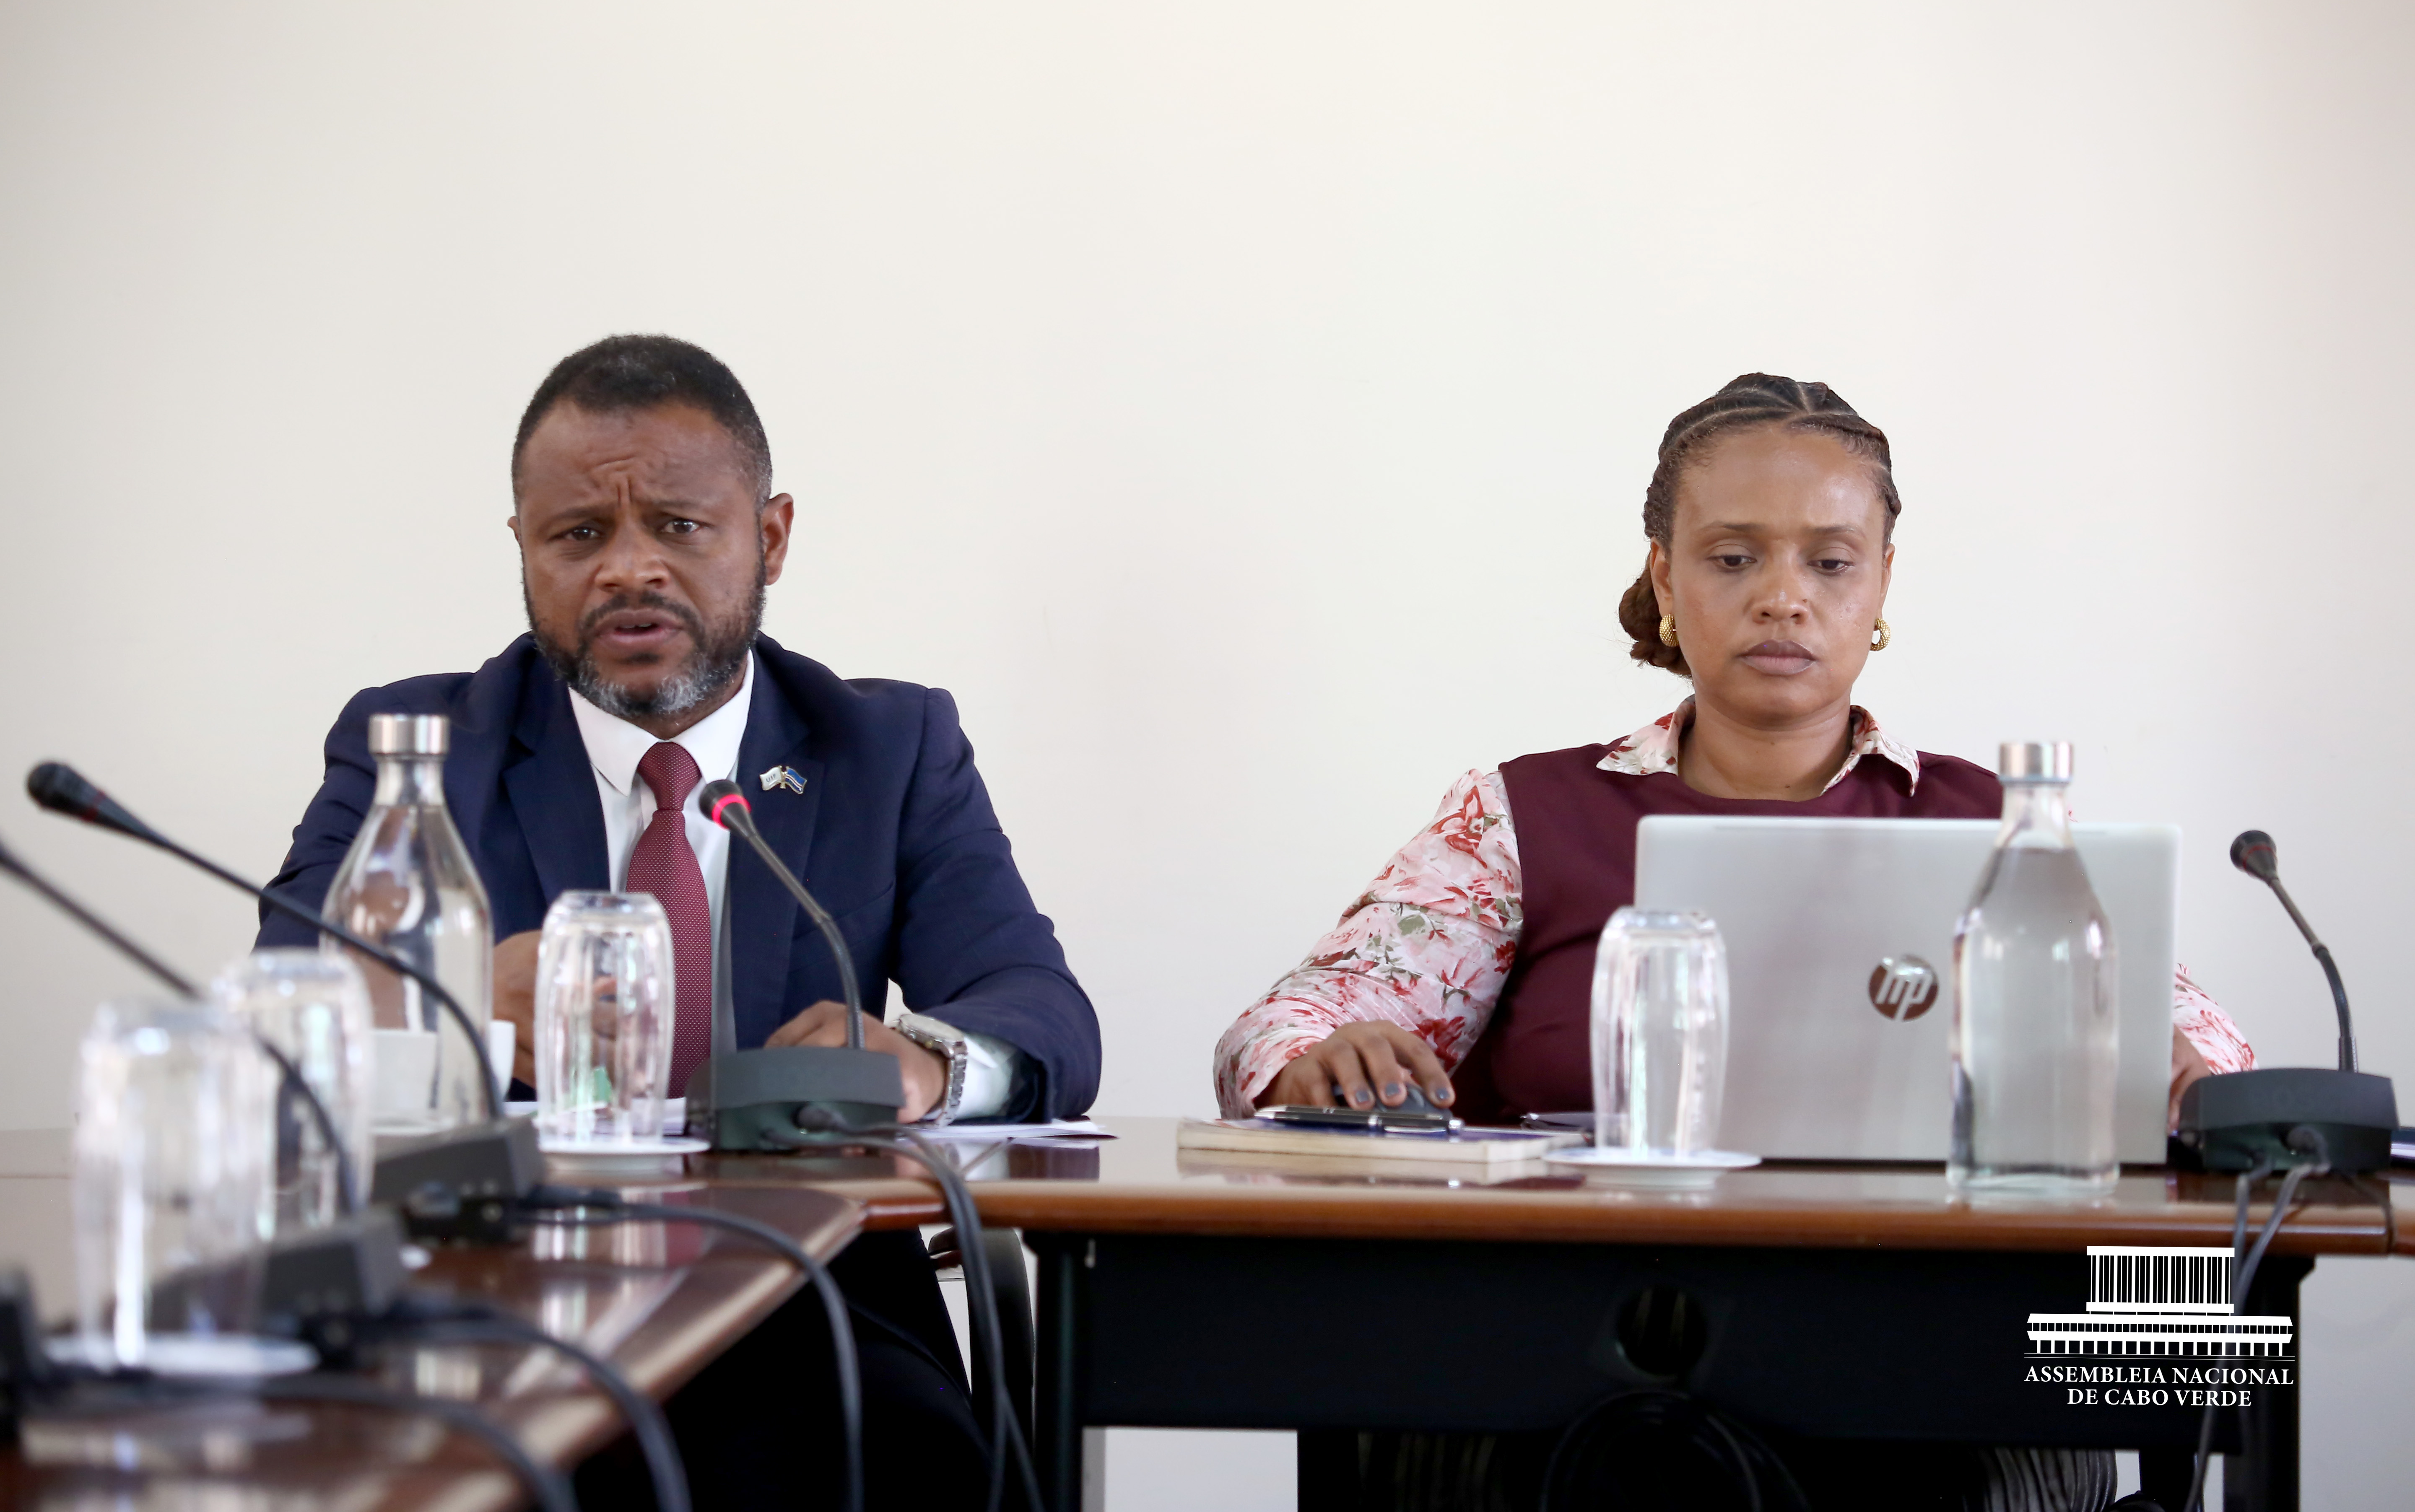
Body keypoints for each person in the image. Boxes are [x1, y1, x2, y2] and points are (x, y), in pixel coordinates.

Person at [261, 334, 1100, 1509]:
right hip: (490, 1285)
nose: (627, 569)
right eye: (578, 535)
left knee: (876, 1456)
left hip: (809, 1294)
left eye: (680, 526)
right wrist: (458, 1005)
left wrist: (923, 1064)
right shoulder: (418, 748)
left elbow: (1043, 1013)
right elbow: (284, 1001)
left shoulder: (888, 748)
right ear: (523, 549)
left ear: (772, 537)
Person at [1215, 372, 2250, 1126]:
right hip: (1580, 1303)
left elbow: (2216, 1057)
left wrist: (2174, 1068)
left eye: (1831, 562)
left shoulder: (2001, 825)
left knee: (2171, 1326)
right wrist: (1324, 1057)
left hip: (1929, 1300)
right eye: (1734, 558)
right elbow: (1278, 1030)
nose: (1783, 597)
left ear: (1882, 583)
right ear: (1667, 578)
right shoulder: (1518, 818)